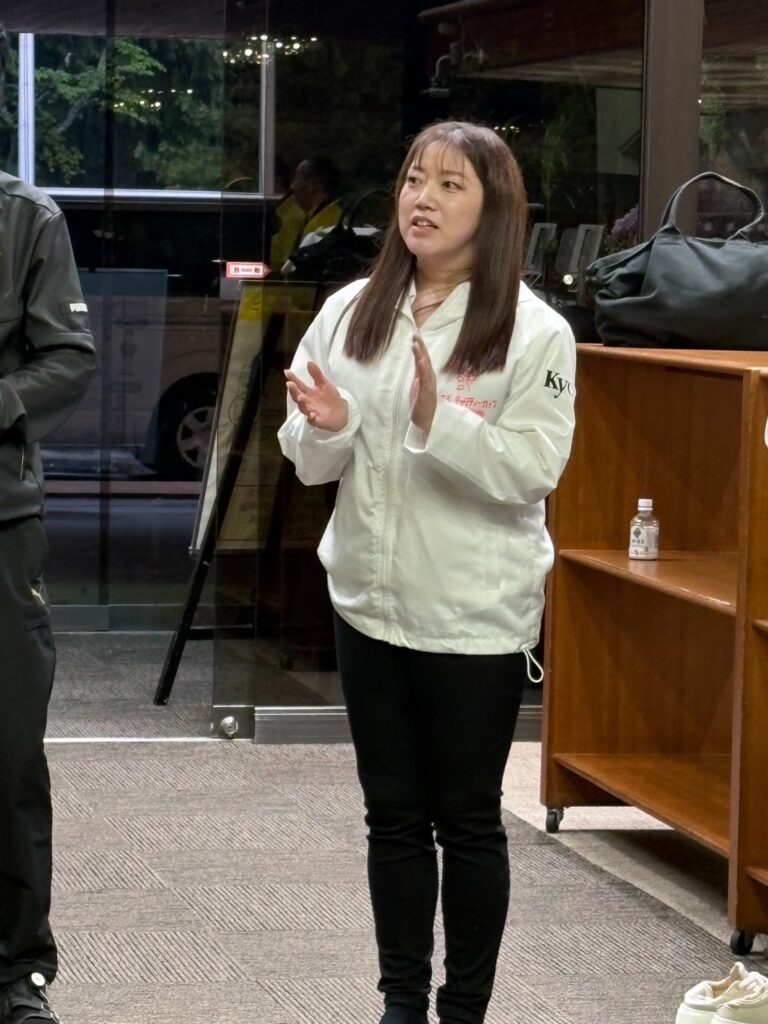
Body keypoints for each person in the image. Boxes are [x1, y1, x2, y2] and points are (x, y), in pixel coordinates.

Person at [278, 121, 576, 1024]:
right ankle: (402, 1002)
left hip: (472, 615)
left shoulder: (534, 330)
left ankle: (465, 1009)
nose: (423, 200)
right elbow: (308, 461)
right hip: (368, 603)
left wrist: (435, 418)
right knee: (393, 816)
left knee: (468, 820)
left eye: (450, 185)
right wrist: (329, 427)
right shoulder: (350, 311)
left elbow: (533, 470)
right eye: (414, 180)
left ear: (494, 208)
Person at [0, 172, 96, 1024]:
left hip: (0, 524)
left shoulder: (25, 217)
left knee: (9, 754)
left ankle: (17, 972)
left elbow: (69, 358)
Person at [270, 155, 343, 272]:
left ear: (313, 185)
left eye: (296, 179)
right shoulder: (322, 217)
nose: (292, 187)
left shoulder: (326, 225)